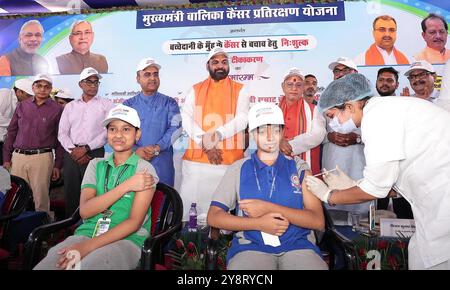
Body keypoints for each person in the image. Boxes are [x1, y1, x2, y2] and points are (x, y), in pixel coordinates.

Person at [305, 73, 450, 270]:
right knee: (422, 254)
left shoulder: (377, 118)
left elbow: (376, 189)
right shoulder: (386, 110)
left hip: (442, 201)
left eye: (332, 116)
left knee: (432, 258)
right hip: (435, 196)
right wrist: (354, 186)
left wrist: (329, 195)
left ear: (349, 106)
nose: (332, 124)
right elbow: (391, 183)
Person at [34, 104, 158, 270]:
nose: (118, 135)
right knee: (50, 265)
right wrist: (126, 186)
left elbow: (134, 222)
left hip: (127, 239)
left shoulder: (144, 169)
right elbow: (85, 211)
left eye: (126, 129)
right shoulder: (96, 164)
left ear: (138, 134)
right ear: (107, 134)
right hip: (87, 233)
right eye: (112, 129)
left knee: (90, 266)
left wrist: (88, 247)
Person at [207, 102, 328, 270]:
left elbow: (318, 221)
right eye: (262, 131)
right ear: (253, 134)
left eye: (276, 130)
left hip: (298, 246)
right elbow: (214, 217)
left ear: (283, 133)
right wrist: (258, 224)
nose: (269, 137)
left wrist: (267, 207)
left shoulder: (299, 168)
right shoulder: (238, 168)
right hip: (251, 247)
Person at [180, 47, 250, 221]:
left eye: (224, 62)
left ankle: (220, 246)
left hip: (227, 161)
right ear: (208, 65)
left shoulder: (240, 89)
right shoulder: (195, 89)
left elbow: (242, 118)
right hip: (197, 161)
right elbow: (186, 117)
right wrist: (205, 142)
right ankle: (192, 245)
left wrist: (217, 135)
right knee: (191, 214)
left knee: (223, 213)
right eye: (215, 62)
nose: (220, 66)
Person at [2, 74, 63, 216]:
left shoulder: (57, 109)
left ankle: (44, 234)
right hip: (18, 158)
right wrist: (6, 158)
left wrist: (57, 165)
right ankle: (15, 232)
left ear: (50, 89)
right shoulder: (22, 106)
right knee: (16, 197)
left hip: (42, 158)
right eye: (39, 86)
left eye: (46, 86)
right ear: (33, 87)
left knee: (41, 199)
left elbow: (60, 138)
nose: (42, 89)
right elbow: (12, 132)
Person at [58, 67, 114, 218]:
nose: (93, 85)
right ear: (80, 84)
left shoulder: (106, 105)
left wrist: (87, 148)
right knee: (71, 191)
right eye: (89, 82)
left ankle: (91, 226)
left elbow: (108, 131)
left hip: (94, 153)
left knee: (94, 191)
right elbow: (62, 133)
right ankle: (70, 227)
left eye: (96, 82)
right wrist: (73, 151)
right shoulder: (70, 106)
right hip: (71, 153)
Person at [123, 58, 181, 186]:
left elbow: (176, 128)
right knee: (134, 203)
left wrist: (157, 147)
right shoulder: (127, 106)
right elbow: (121, 133)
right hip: (135, 162)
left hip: (162, 163)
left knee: (163, 202)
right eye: (147, 74)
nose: (152, 78)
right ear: (138, 78)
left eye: (155, 74)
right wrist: (135, 150)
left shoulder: (170, 102)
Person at [322, 57, 369, 214]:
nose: (340, 74)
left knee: (360, 203)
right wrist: (329, 137)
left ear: (355, 73)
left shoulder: (367, 98)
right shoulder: (325, 99)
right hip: (333, 160)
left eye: (345, 70)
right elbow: (317, 133)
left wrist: (357, 138)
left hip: (358, 162)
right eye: (337, 71)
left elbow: (377, 131)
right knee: (333, 206)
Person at [278, 68, 326, 175]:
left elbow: (317, 135)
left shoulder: (315, 110)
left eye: (299, 85)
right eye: (290, 84)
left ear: (303, 87)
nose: (294, 88)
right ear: (283, 87)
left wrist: (288, 146)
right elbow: (264, 133)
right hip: (279, 167)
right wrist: (278, 141)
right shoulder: (273, 111)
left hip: (306, 170)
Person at [0, 78, 34, 164]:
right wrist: (16, 123)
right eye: (29, 95)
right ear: (19, 92)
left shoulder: (23, 104)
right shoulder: (5, 93)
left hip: (4, 143)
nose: (31, 98)